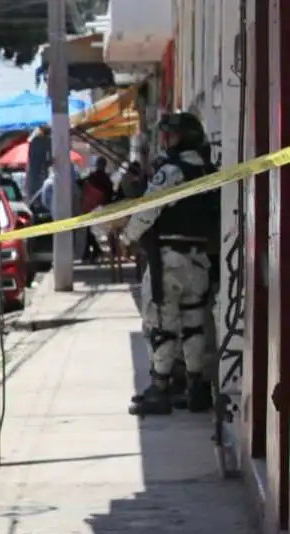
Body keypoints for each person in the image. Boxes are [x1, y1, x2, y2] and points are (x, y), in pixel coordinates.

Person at [120, 111, 218, 416]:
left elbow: (148, 210)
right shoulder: (209, 171)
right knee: (193, 325)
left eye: (171, 135)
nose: (167, 141)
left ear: (183, 137)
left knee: (161, 324)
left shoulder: (172, 172)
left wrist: (127, 237)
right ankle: (195, 388)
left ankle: (159, 389)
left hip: (170, 261)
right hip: (199, 261)